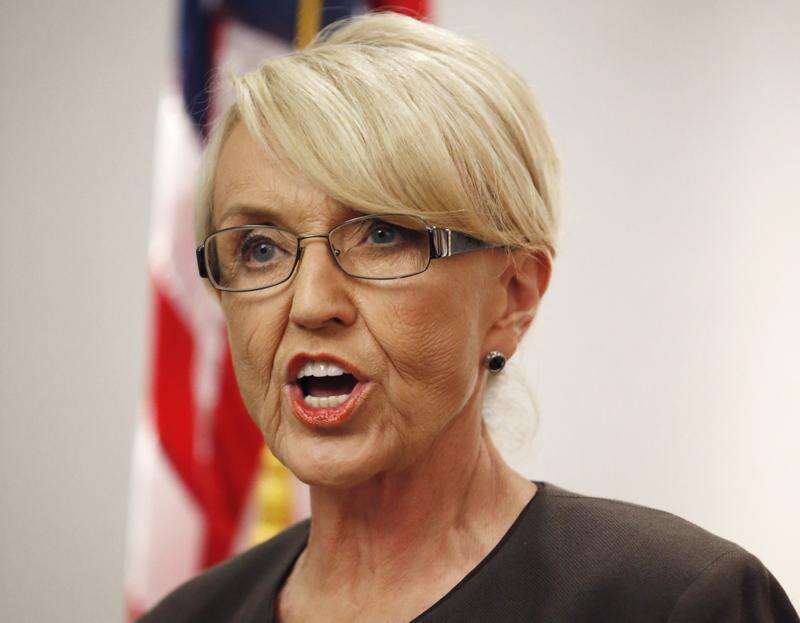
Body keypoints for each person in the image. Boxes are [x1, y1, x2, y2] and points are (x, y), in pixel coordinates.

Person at [138, 11, 798, 623]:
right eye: (260, 248)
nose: (311, 303)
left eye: (381, 235)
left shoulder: (679, 602)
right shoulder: (187, 617)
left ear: (512, 298)